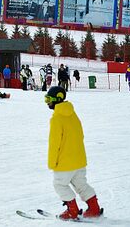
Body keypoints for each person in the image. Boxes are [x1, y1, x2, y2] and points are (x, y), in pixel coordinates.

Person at [45, 86, 102, 220]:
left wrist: (52, 163)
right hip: (79, 160)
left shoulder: (56, 118)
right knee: (81, 184)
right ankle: (94, 208)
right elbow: (80, 135)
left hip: (65, 162)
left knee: (59, 184)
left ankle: (72, 210)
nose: (47, 102)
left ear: (57, 99)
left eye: (49, 99)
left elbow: (54, 144)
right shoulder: (73, 114)